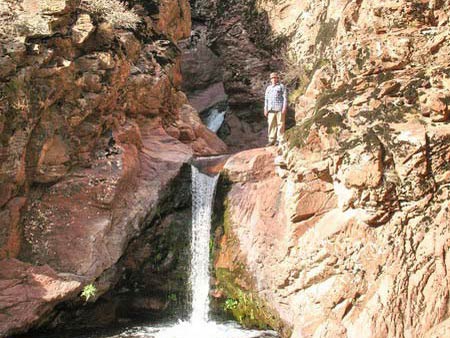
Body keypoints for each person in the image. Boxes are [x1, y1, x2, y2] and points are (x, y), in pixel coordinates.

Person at [264, 72, 287, 146]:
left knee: (280, 124)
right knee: (271, 124)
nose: (273, 79)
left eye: (275, 78)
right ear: (270, 79)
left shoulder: (281, 86)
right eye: (272, 78)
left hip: (279, 108)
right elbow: (266, 99)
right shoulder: (268, 88)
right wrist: (265, 108)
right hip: (270, 109)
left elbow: (285, 98)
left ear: (277, 78)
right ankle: (271, 140)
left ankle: (279, 139)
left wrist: (284, 108)